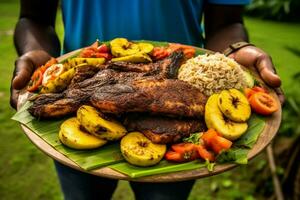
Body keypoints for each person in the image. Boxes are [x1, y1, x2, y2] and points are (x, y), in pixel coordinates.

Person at [10, 0, 285, 199]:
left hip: (185, 81)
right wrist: (35, 53)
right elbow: (34, 17)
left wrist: (236, 49)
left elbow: (227, 22)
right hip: (83, 85)